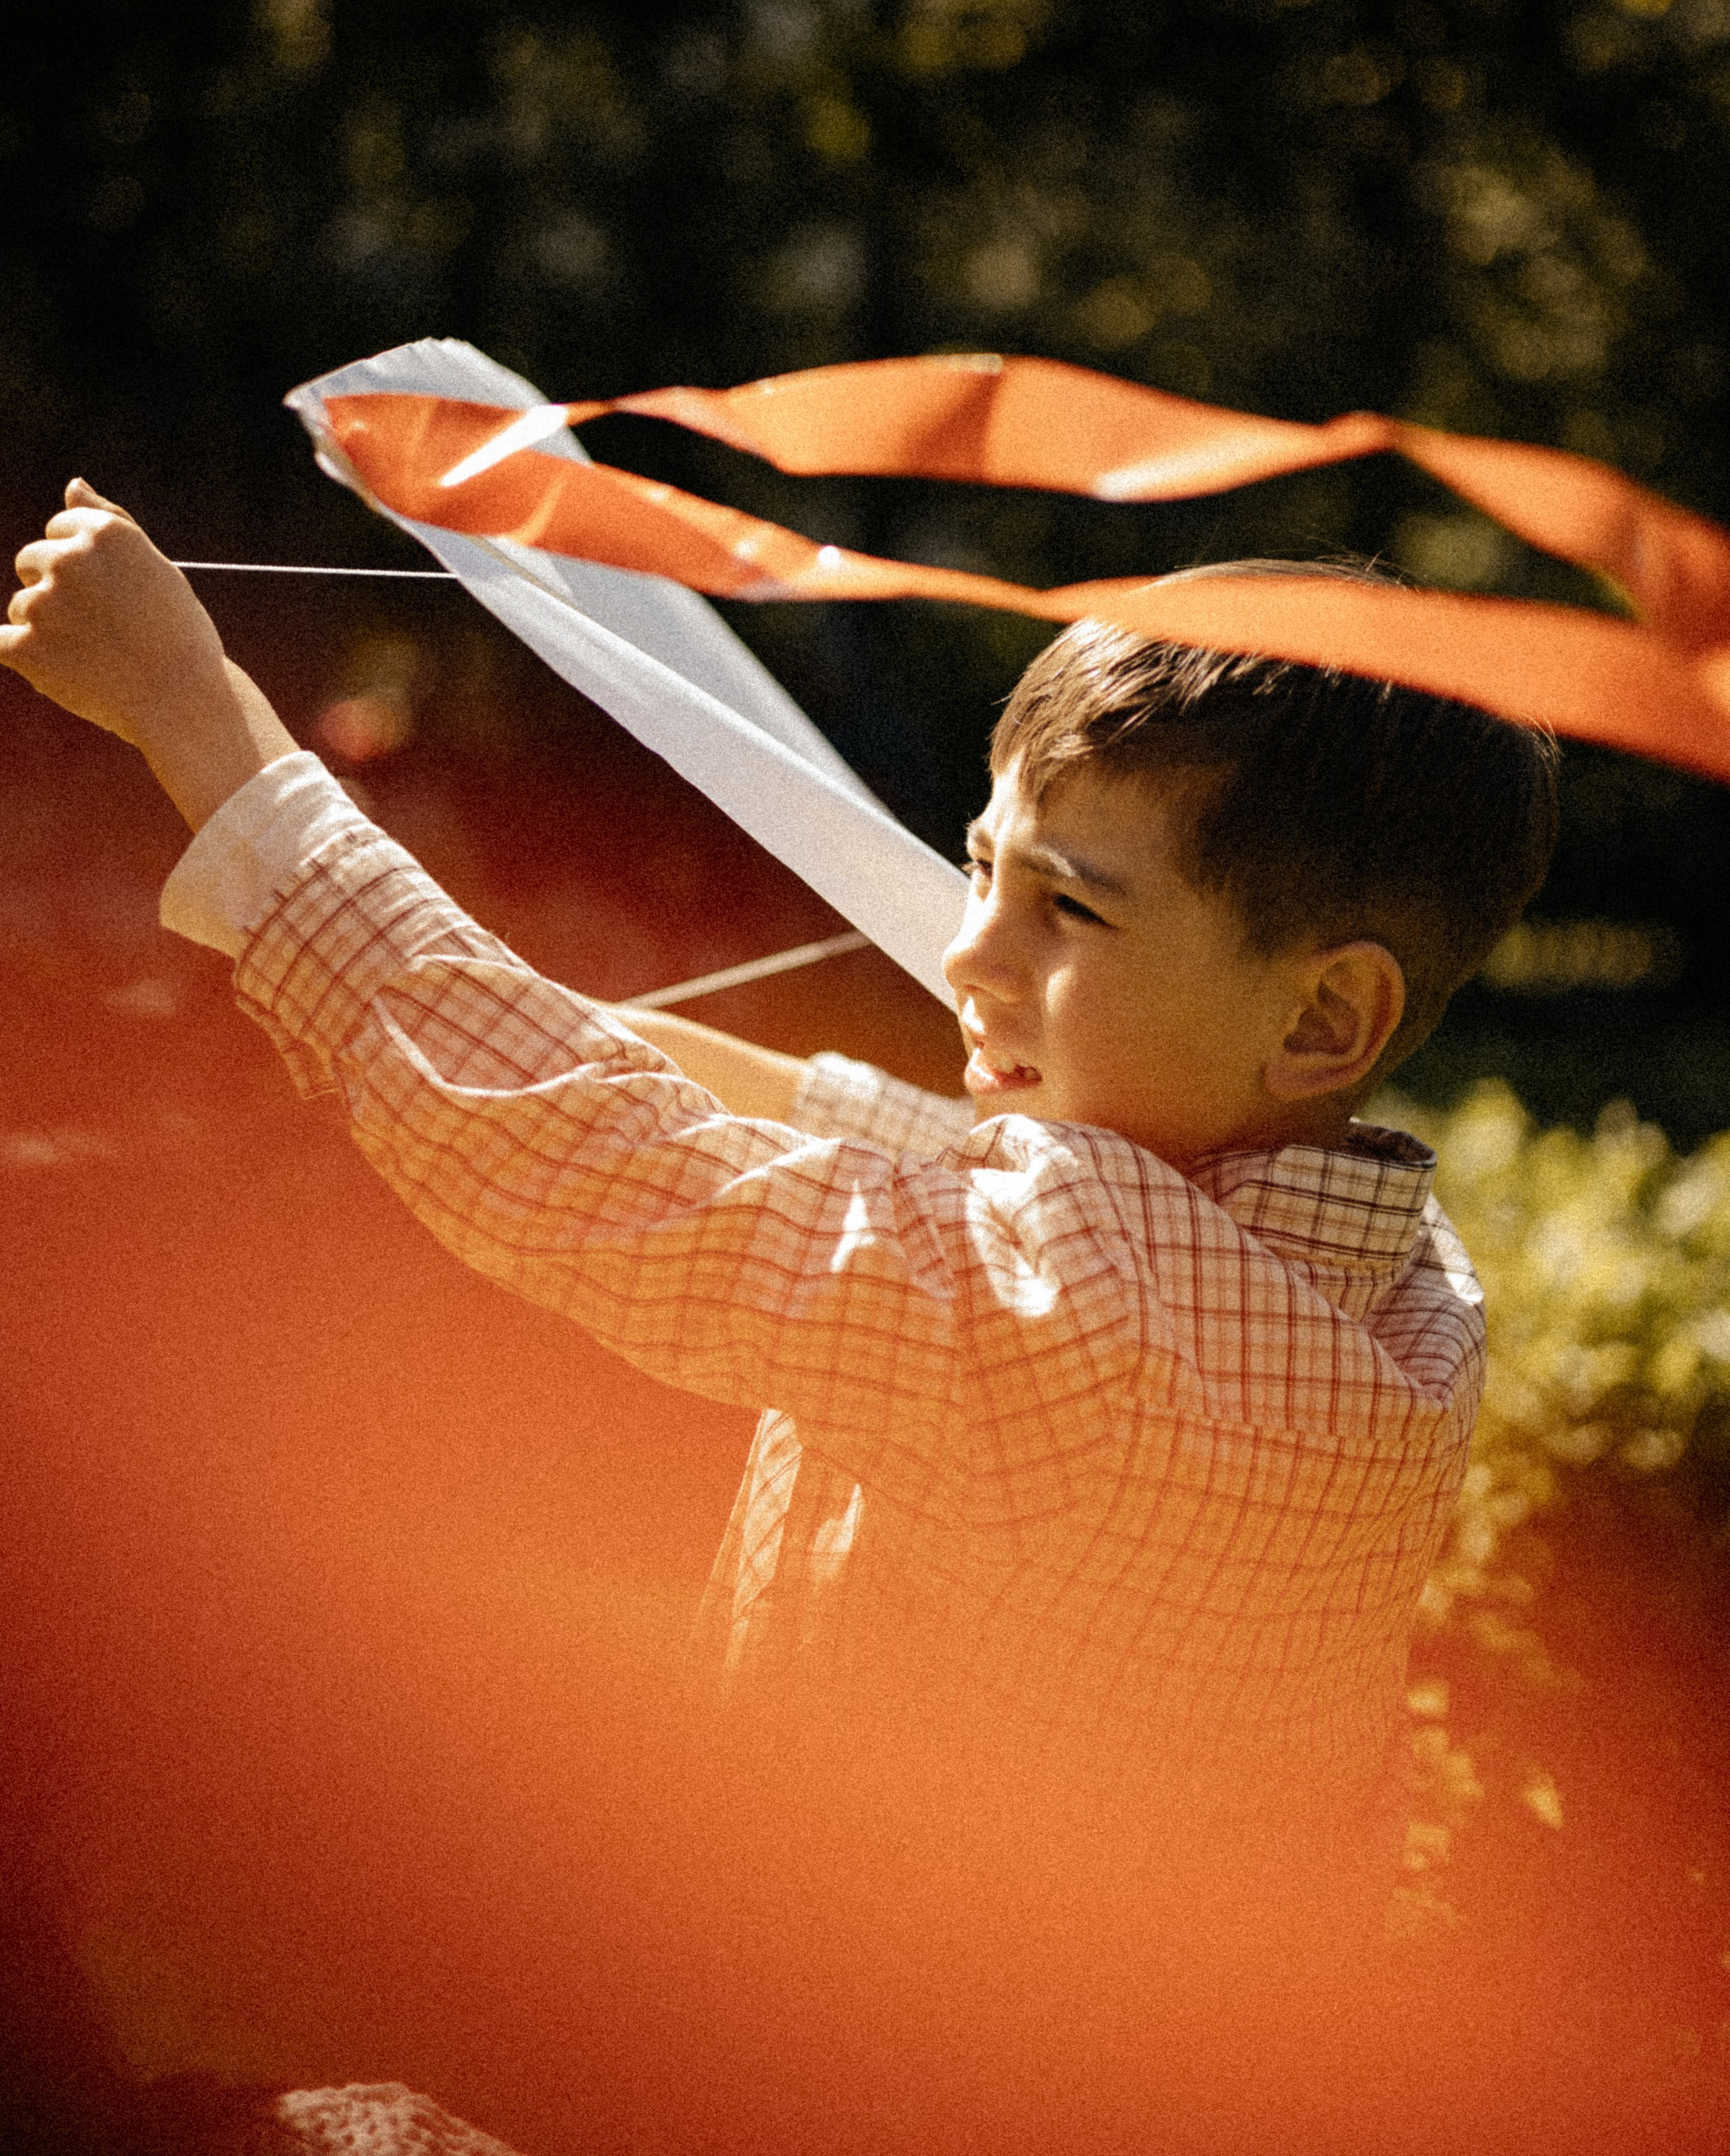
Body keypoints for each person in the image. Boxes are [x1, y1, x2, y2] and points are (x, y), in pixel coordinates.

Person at [3, 483, 1559, 2152]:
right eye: (981, 866)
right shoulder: (1365, 1276)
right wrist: (486, 1003)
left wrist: (200, 716)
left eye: (1067, 908)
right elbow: (919, 1160)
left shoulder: (1075, 1330)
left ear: (1326, 1012)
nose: (969, 953)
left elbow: (587, 1163)